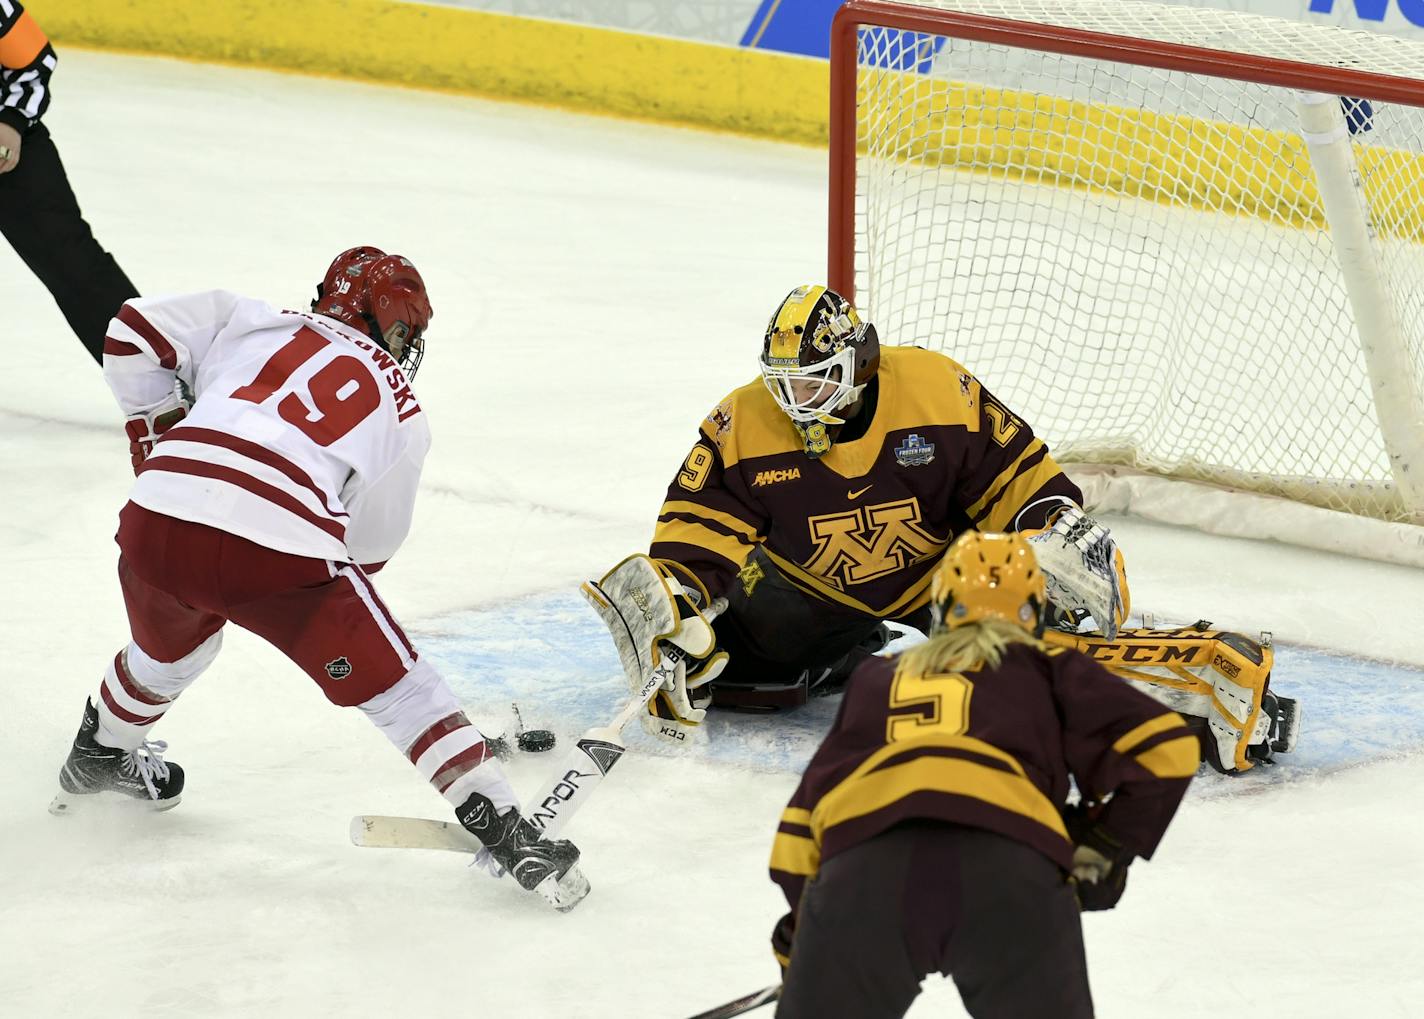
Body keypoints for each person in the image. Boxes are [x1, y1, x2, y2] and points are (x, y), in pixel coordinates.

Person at [50, 246, 587, 911]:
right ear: (384, 320)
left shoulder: (252, 319)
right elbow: (371, 548)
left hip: (155, 514)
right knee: (400, 689)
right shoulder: (400, 405)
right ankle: (509, 828)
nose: (403, 347)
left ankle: (100, 751)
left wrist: (156, 434)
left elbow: (132, 330)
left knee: (173, 648)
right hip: (276, 545)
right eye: (402, 332)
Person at [586, 284, 1297, 774]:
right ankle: (838, 649)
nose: (794, 403)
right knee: (738, 682)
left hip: (939, 571)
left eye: (811, 384)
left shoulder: (934, 388)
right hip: (807, 583)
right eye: (783, 385)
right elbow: (695, 526)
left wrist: (1054, 529)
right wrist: (676, 614)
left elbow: (1017, 476)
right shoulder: (745, 421)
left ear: (855, 363)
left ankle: (1205, 675)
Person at [768, 531, 1199, 1018]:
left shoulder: (879, 676)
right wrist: (1102, 846)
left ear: (942, 608)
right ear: (1035, 611)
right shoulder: (1047, 668)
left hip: (866, 877)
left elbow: (797, 834)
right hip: (1008, 874)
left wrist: (811, 930)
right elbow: (1168, 747)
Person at [1, 1, 139, 364]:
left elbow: (33, 62)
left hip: (8, 147)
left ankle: (156, 373)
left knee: (73, 261)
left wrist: (11, 120)